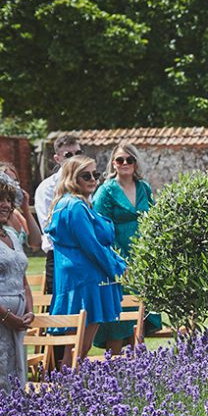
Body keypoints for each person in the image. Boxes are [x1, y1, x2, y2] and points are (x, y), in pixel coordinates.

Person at [45, 155, 126, 361]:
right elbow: (92, 247)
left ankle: (68, 387)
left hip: (76, 279)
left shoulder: (66, 203)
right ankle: (69, 390)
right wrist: (119, 270)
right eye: (86, 175)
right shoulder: (76, 206)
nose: (93, 179)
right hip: (86, 281)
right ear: (72, 178)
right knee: (79, 348)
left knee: (76, 346)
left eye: (95, 174)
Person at [92, 142, 161, 354]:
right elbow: (99, 229)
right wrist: (117, 261)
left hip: (142, 259)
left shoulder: (144, 188)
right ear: (113, 163)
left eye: (129, 160)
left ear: (135, 162)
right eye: (120, 160)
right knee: (118, 320)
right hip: (117, 259)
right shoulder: (106, 191)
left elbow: (155, 219)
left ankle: (138, 368)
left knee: (140, 315)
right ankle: (114, 368)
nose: (124, 164)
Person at [35, 134, 83, 295]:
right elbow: (49, 227)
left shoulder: (88, 182)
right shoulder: (47, 188)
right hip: (58, 256)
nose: (74, 158)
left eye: (78, 153)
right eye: (68, 155)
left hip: (85, 254)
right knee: (60, 315)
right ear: (57, 159)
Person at [0, 180, 34, 383]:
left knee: (17, 373)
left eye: (8, 200)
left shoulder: (12, 233)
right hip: (4, 318)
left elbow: (23, 279)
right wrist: (7, 317)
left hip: (19, 320)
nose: (5, 204)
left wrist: (29, 310)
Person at [0, 162, 42, 251]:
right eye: (7, 179)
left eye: (15, 181)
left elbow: (35, 242)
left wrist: (26, 210)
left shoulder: (15, 214)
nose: (12, 185)